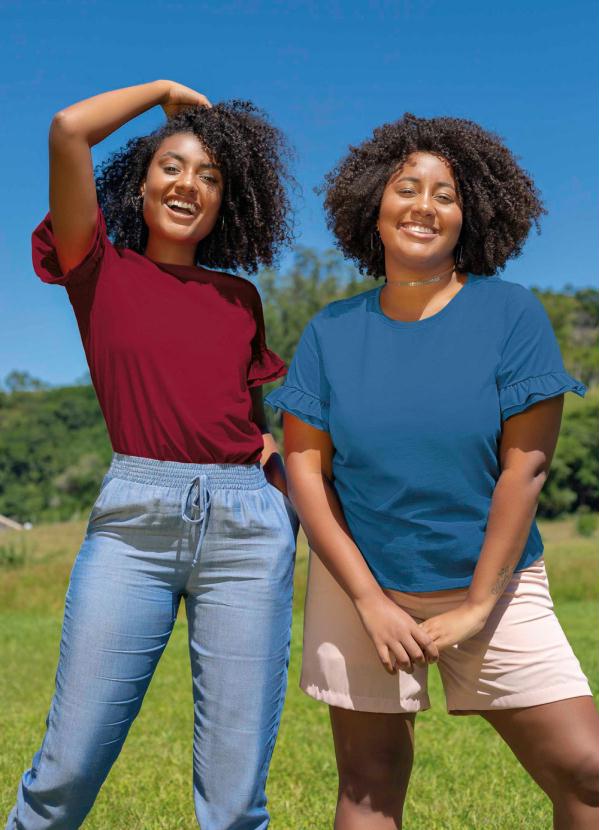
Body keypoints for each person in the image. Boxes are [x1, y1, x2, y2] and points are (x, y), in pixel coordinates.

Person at [266, 113, 599, 829]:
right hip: (362, 586)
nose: (423, 205)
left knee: (586, 772)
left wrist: (477, 605)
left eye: (443, 194)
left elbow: (525, 469)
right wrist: (369, 601)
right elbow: (304, 470)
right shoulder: (329, 331)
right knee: (367, 784)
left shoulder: (510, 315)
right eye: (405, 188)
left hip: (493, 584)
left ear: (468, 213)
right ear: (372, 208)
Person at [7, 80, 298, 830]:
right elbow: (69, 129)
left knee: (236, 799)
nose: (188, 184)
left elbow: (254, 421)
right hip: (135, 522)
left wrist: (280, 497)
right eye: (172, 167)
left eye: (208, 176)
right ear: (136, 185)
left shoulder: (240, 300)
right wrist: (167, 92)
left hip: (246, 525)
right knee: (67, 769)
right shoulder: (96, 267)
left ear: (223, 203)